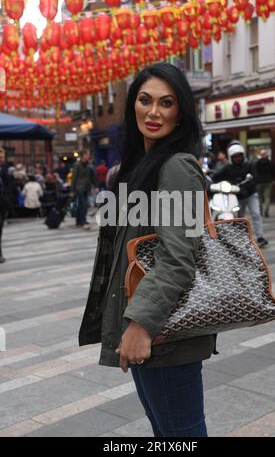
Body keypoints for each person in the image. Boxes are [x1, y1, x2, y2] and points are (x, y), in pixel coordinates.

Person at [79, 63, 217, 437]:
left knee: (181, 435)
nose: (154, 112)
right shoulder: (140, 167)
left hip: (162, 333)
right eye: (145, 100)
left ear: (181, 112)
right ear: (132, 105)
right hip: (149, 329)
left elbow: (178, 257)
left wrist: (141, 324)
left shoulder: (177, 167)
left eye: (166, 103)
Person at [212, 141, 268, 248]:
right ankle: (240, 237)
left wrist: (246, 187)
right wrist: (208, 178)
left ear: (243, 155)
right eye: (235, 156)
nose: (238, 158)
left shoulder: (249, 165)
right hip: (237, 196)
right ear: (231, 157)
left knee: (256, 213)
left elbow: (256, 178)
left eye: (239, 156)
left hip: (251, 194)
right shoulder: (228, 168)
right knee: (238, 217)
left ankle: (260, 236)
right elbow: (216, 176)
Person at [71, 150, 97, 229]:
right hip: (79, 187)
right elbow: (74, 177)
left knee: (82, 205)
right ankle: (82, 221)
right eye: (87, 154)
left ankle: (79, 221)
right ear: (83, 155)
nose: (88, 156)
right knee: (83, 205)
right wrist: (72, 189)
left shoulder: (88, 165)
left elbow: (91, 176)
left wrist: (96, 186)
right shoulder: (77, 165)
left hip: (87, 187)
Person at [255, 149, 275, 218]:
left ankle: (261, 211)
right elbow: (274, 172)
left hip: (259, 182)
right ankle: (266, 211)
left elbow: (254, 172)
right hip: (268, 181)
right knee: (267, 197)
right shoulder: (270, 163)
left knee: (260, 197)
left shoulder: (257, 163)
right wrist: (272, 178)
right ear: (266, 155)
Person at [0, 148, 9, 263]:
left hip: (2, 204)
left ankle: (0, 253)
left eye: (2, 157)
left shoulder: (4, 169)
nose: (1, 160)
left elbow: (8, 185)